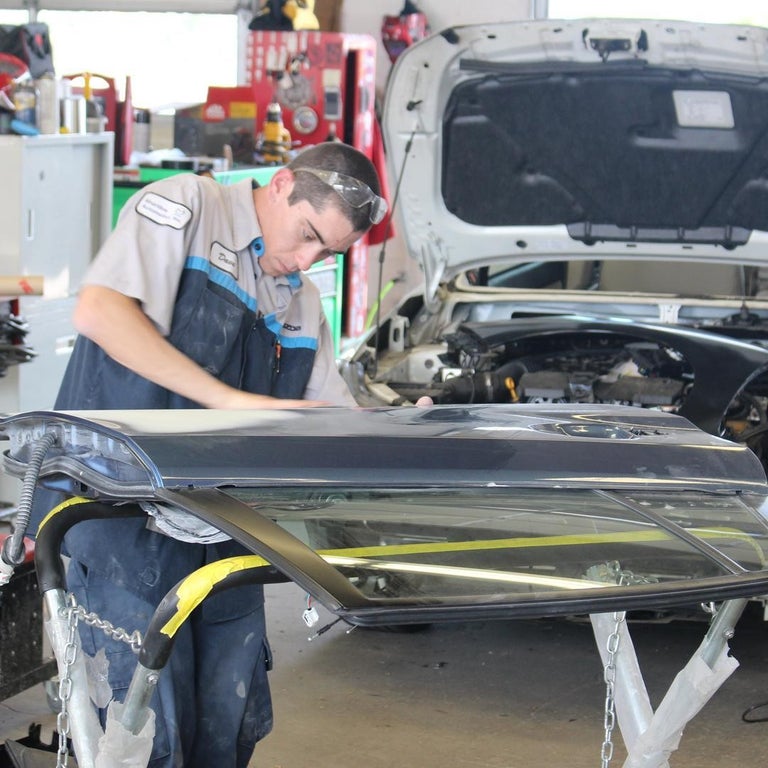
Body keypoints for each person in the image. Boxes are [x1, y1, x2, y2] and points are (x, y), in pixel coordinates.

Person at [35, 141, 388, 767]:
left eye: (326, 253)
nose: (306, 261)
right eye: (307, 235)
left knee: (228, 730)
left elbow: (328, 419)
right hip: (120, 522)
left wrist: (404, 433)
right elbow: (100, 309)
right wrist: (223, 400)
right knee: (146, 743)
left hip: (224, 534)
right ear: (281, 185)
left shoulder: (301, 302)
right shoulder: (187, 205)